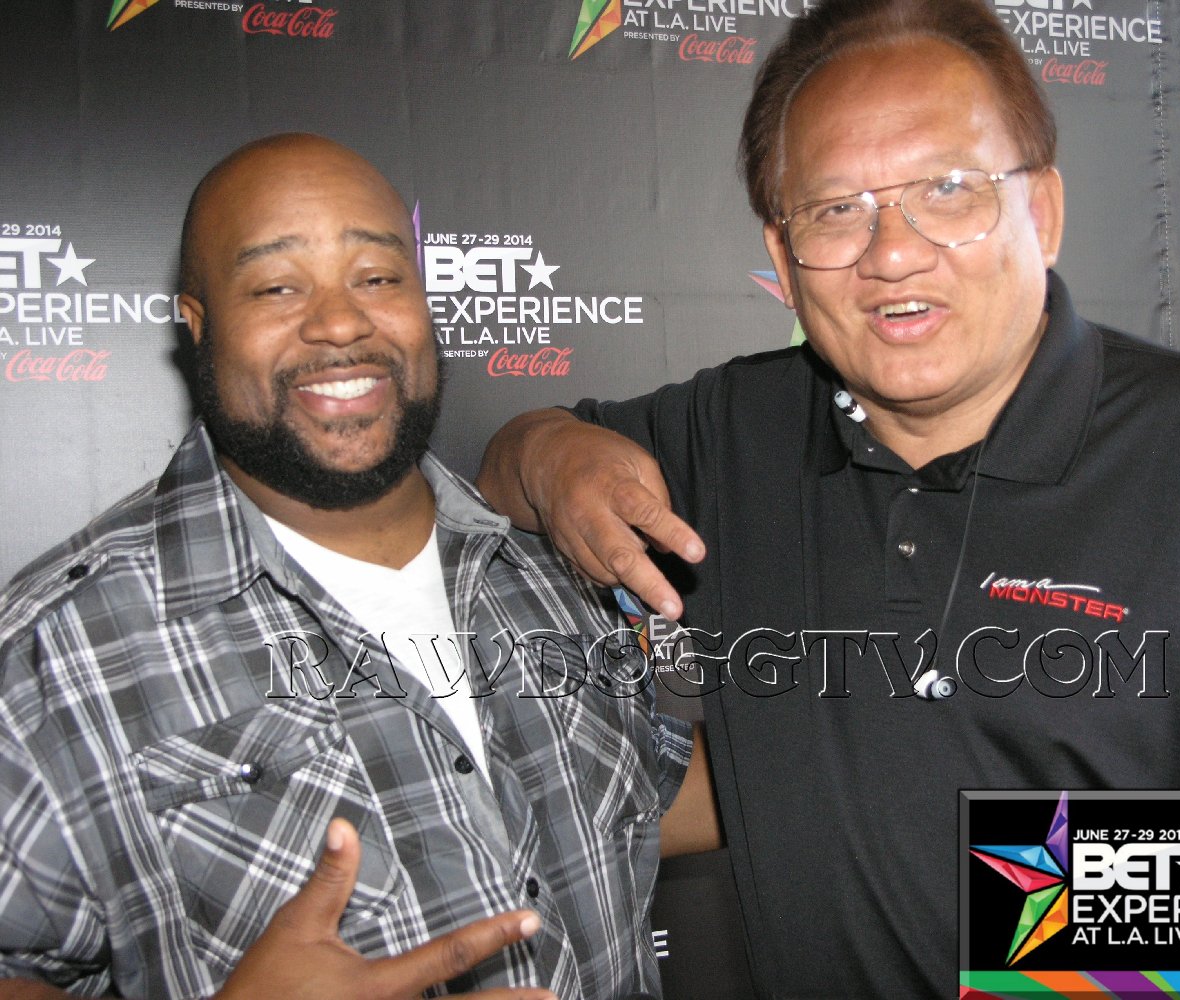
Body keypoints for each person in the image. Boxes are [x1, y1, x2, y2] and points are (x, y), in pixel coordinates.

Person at [476, 0, 1180, 995]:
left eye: (947, 189)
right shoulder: (735, 424)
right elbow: (506, 462)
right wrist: (553, 454)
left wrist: (1014, 892)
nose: (890, 253)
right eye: (835, 210)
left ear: (1042, 212)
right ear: (783, 258)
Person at [0, 133, 690, 999]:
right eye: (276, 286)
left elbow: (642, 804)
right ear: (198, 326)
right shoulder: (54, 653)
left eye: (377, 277)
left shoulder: (553, 572)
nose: (338, 322)